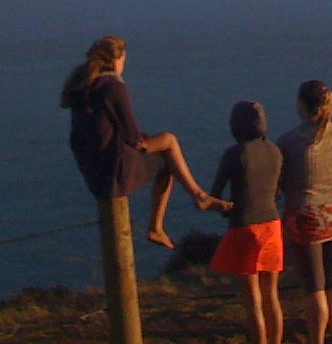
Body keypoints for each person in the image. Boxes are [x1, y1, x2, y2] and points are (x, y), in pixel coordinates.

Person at [60, 35, 227, 246]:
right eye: (123, 59)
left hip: (94, 173)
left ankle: (197, 197)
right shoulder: (113, 86)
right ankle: (174, 214)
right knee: (169, 148)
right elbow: (134, 139)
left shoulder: (83, 87)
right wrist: (150, 142)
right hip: (114, 174)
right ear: (115, 60)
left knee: (167, 145)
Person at [277, 79, 332, 344]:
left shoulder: (289, 142)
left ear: (301, 106)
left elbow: (282, 182)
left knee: (314, 287)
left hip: (307, 217)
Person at [209, 100, 285, 344]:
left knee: (253, 301)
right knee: (272, 297)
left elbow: (215, 196)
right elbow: (277, 190)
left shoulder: (234, 154)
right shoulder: (275, 151)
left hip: (245, 227)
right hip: (273, 224)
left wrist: (220, 206)